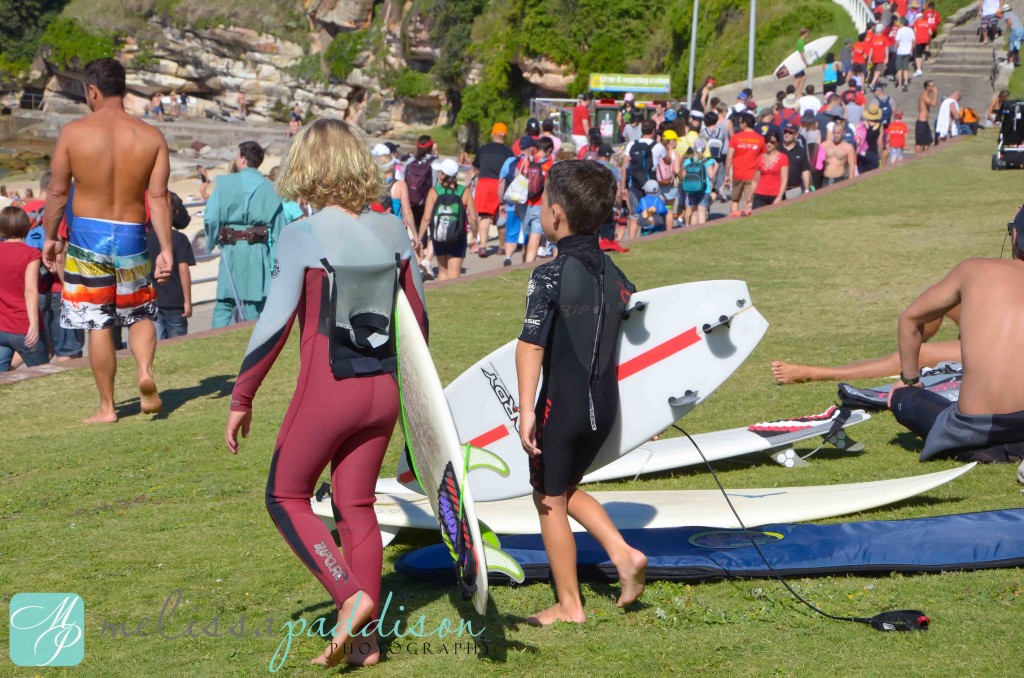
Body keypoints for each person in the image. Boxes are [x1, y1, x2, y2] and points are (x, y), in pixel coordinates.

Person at [224, 118, 427, 667]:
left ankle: (350, 597)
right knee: (355, 505)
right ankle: (367, 643)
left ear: (306, 167)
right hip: (381, 391)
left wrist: (243, 396)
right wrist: (415, 408)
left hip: (327, 393)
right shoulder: (392, 231)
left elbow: (274, 323)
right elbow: (419, 323)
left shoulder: (302, 236)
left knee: (285, 496)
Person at [515, 159, 646, 625]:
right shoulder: (616, 275)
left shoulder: (550, 273)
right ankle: (622, 554)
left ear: (555, 214)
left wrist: (527, 410)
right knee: (567, 487)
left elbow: (531, 343)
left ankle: (570, 605)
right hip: (604, 408)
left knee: (548, 498)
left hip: (562, 408)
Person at [42, 58, 173, 423]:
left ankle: (107, 407)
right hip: (132, 233)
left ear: (92, 91)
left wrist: (51, 237)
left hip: (88, 237)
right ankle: (144, 371)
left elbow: (56, 193)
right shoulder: (150, 136)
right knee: (140, 311)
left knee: (98, 321)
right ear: (124, 89)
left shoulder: (74, 133)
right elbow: (159, 197)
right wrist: (164, 248)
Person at [888, 209, 1024, 472]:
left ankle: (983, 448)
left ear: (1015, 236)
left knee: (903, 399)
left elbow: (909, 320)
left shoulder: (974, 269)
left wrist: (910, 381)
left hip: (975, 431)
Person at [204, 141, 284, 328]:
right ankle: (254, 347)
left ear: (242, 159)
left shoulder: (225, 183)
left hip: (231, 248)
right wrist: (276, 263)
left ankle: (217, 344)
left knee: (224, 302)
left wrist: (212, 240)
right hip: (257, 250)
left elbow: (210, 217)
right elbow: (280, 230)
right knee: (254, 304)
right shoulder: (271, 188)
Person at [772, 309, 961, 384]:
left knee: (922, 355)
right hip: (987, 332)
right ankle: (899, 359)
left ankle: (816, 373)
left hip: (989, 350)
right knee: (937, 302)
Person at [0, 206, 48, 371]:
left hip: (2, 325)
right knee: (41, 374)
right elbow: (30, 290)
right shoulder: (31, 254)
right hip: (23, 325)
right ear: (25, 226)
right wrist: (34, 324)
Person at [418, 158, 478, 281]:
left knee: (443, 272)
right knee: (454, 275)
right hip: (458, 235)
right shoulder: (464, 191)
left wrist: (419, 239)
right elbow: (473, 218)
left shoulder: (434, 191)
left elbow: (426, 218)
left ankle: (442, 297)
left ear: (442, 174)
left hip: (439, 235)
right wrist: (474, 236)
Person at [147, 192, 195, 339]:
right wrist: (187, 301)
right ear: (176, 213)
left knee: (157, 342)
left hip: (153, 300)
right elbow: (183, 270)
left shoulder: (146, 237)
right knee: (177, 343)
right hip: (176, 301)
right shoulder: (180, 239)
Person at [471, 122, 514, 257]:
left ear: (492, 134)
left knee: (484, 217)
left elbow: (476, 168)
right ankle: (501, 247)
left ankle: (483, 247)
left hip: (484, 184)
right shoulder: (508, 152)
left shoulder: (483, 149)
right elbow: (512, 172)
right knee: (501, 218)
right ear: (505, 136)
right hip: (500, 185)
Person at [621, 120, 665, 239]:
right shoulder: (658, 146)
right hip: (651, 183)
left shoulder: (631, 144)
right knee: (653, 210)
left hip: (634, 182)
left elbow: (625, 165)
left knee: (634, 214)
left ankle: (632, 240)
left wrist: (623, 186)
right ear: (653, 131)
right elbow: (667, 161)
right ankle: (650, 237)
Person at [724, 112, 764, 216]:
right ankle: (746, 219)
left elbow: (729, 157)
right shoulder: (760, 139)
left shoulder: (735, 138)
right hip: (752, 174)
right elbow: (763, 158)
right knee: (748, 200)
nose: (739, 124)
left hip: (737, 173)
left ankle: (734, 219)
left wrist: (727, 174)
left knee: (735, 200)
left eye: (740, 122)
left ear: (745, 124)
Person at [679, 140, 716, 226]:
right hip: (704, 189)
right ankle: (702, 232)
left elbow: (684, 176)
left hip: (691, 189)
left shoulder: (688, 161)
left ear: (694, 148)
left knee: (694, 213)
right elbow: (711, 175)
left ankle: (693, 232)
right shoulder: (707, 161)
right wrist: (716, 167)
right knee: (702, 212)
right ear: (704, 149)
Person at [751, 130, 789, 209]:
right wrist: (749, 199)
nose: (768, 144)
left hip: (776, 194)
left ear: (777, 143)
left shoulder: (783, 158)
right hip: (760, 195)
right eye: (767, 141)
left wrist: (780, 196)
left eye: (772, 142)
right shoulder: (760, 158)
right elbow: (755, 181)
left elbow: (784, 179)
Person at [818, 120, 857, 186]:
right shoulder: (824, 145)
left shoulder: (848, 148)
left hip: (839, 179)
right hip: (825, 179)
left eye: (838, 133)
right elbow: (818, 164)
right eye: (834, 133)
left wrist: (850, 182)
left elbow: (851, 166)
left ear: (843, 133)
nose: (836, 135)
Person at [916, 79, 938, 152]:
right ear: (927, 87)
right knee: (919, 142)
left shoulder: (926, 96)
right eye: (932, 86)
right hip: (921, 122)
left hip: (925, 122)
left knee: (928, 141)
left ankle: (924, 154)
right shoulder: (924, 96)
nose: (933, 87)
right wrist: (935, 93)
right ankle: (917, 157)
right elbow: (933, 104)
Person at [894, 16, 916, 90]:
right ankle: (906, 81)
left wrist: (895, 48)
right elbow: (913, 41)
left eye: (900, 23)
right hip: (907, 51)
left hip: (900, 51)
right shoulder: (910, 30)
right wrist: (912, 50)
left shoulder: (900, 30)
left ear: (902, 23)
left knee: (899, 69)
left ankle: (900, 84)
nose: (899, 24)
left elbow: (897, 41)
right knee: (905, 68)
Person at [793, 28, 812, 95]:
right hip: (798, 63)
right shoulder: (801, 42)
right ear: (804, 34)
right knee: (797, 79)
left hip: (799, 63)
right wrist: (806, 63)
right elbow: (801, 54)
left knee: (803, 77)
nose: (808, 35)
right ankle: (791, 93)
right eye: (807, 33)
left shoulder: (799, 41)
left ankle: (799, 92)